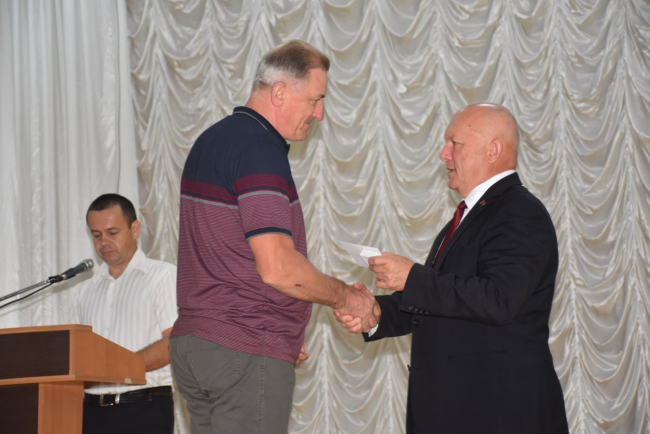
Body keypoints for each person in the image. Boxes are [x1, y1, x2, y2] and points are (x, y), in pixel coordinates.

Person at [169, 39, 379, 434]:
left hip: (197, 344)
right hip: (243, 345)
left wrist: (282, 330)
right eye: (315, 99)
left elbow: (227, 256)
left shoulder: (210, 141)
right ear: (279, 92)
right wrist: (347, 297)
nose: (319, 113)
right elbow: (278, 267)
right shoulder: (259, 150)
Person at [336, 103, 569, 434]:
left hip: (498, 412)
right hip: (458, 409)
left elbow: (499, 299)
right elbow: (442, 304)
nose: (444, 154)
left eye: (454, 143)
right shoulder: (467, 218)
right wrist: (375, 313)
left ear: (493, 150)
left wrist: (412, 277)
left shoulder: (519, 212)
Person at [71, 193, 177, 434]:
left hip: (144, 408)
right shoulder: (83, 290)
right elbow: (76, 354)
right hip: (90, 413)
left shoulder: (163, 277)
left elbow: (174, 342)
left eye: (112, 232)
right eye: (96, 235)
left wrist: (119, 367)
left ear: (135, 229)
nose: (104, 242)